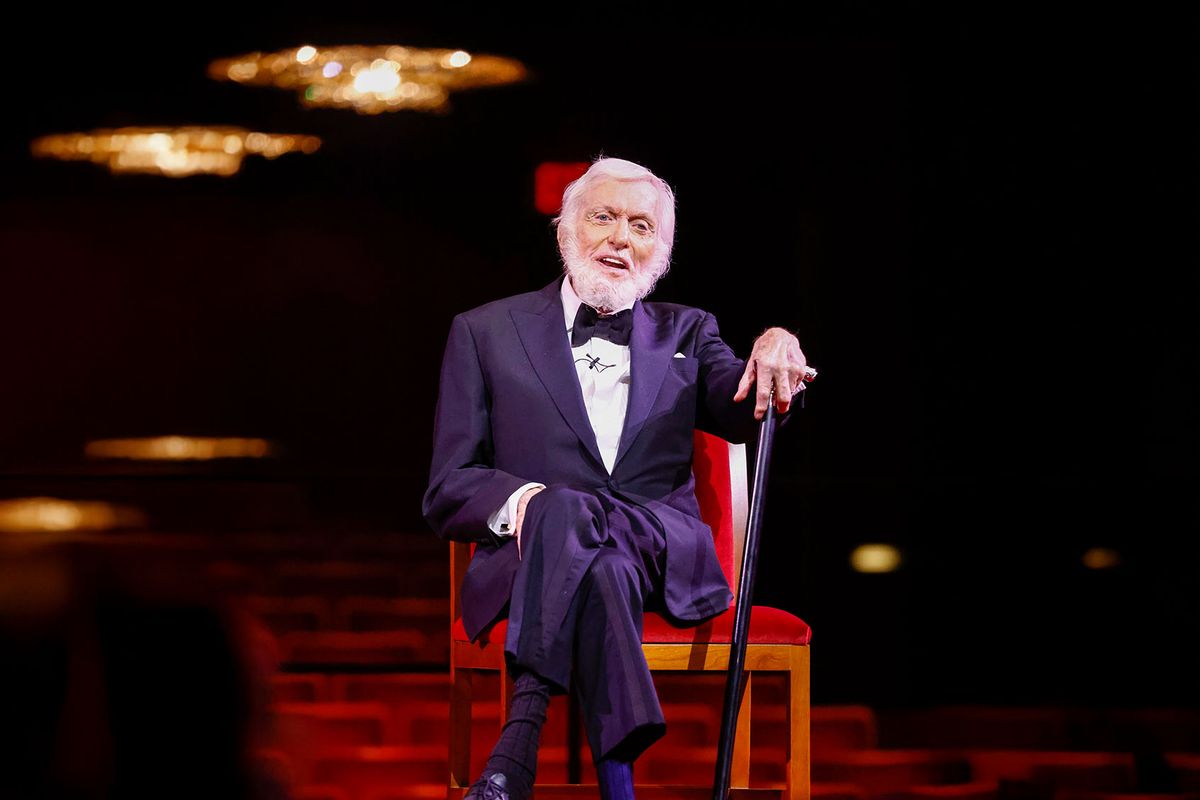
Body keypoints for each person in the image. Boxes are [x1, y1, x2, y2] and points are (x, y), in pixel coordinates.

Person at [423, 157, 813, 800]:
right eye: (603, 217)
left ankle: (517, 745)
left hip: (662, 554)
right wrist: (532, 507)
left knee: (575, 514)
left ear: (660, 251)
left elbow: (745, 407)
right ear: (565, 230)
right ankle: (618, 786)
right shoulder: (484, 332)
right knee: (580, 535)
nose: (620, 238)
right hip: (533, 560)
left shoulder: (692, 331)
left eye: (640, 226)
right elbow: (448, 486)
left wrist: (775, 343)